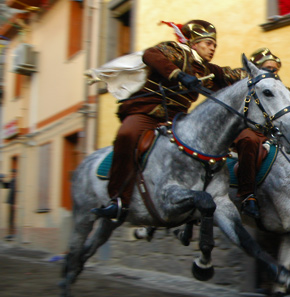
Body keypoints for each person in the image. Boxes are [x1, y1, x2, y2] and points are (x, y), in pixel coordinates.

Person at [92, 20, 244, 220]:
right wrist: (179, 75)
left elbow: (230, 75)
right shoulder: (175, 51)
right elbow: (150, 55)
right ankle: (118, 200)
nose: (212, 48)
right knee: (127, 134)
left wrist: (258, 74)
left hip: (177, 118)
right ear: (194, 43)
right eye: (208, 43)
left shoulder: (207, 70)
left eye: (214, 45)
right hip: (147, 113)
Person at [232, 48, 284, 220]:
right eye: (268, 68)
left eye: (275, 69)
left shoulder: (281, 89)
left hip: (271, 134)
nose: (273, 72)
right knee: (250, 139)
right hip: (246, 129)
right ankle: (247, 195)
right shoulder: (244, 86)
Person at [3, 168, 16, 241]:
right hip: (10, 202)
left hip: (13, 203)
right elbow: (6, 186)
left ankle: (12, 234)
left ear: (15, 174)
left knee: (12, 218)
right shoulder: (12, 181)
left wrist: (15, 203)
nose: (11, 174)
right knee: (10, 218)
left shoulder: (16, 181)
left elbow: (15, 192)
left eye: (12, 173)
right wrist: (2, 180)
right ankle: (10, 234)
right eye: (11, 173)